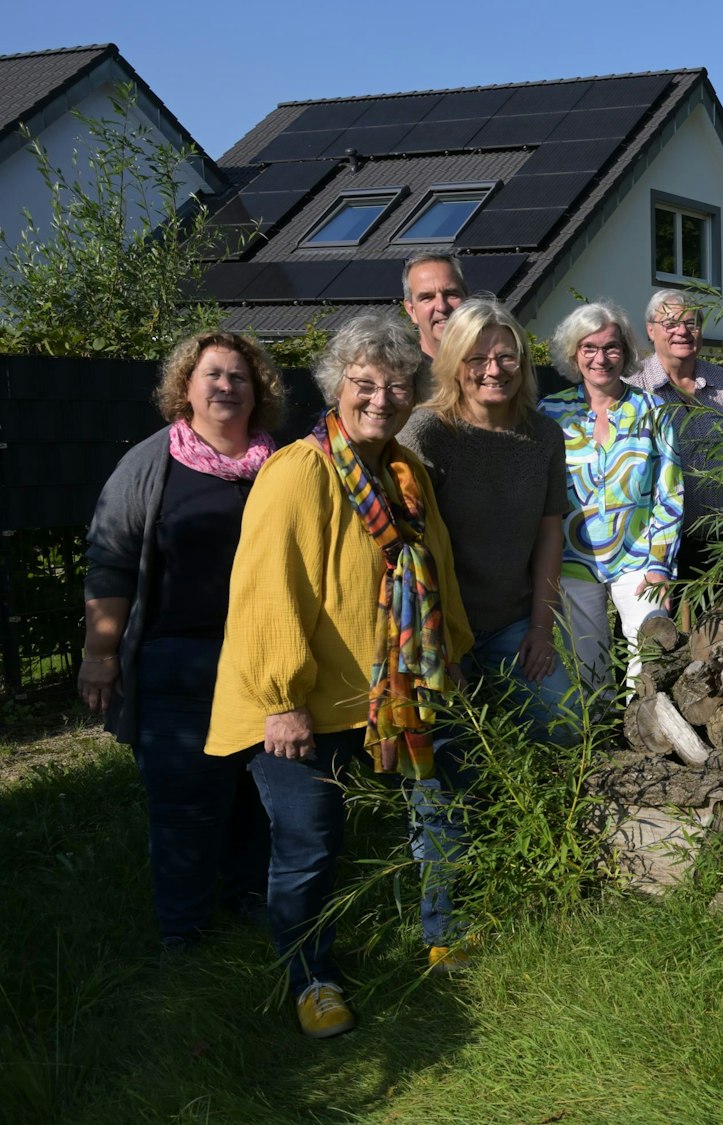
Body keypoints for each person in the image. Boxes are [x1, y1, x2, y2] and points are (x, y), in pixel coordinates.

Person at [204, 314, 474, 1037]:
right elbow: (269, 591)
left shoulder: (405, 472)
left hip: (398, 689)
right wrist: (281, 700)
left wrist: (449, 652)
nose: (381, 398)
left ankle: (443, 934)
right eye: (364, 384)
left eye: (396, 385)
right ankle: (312, 979)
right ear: (337, 386)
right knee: (309, 841)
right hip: (299, 702)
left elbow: (437, 569)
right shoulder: (299, 471)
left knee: (440, 813)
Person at [81, 331, 284, 953]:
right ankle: (185, 936)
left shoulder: (283, 465)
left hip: (265, 663)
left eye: (239, 376)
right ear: (185, 388)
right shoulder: (151, 463)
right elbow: (110, 560)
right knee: (185, 807)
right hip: (178, 664)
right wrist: (100, 654)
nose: (226, 385)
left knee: (261, 800)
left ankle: (252, 907)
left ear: (259, 391)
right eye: (212, 375)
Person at [400, 299, 572, 739]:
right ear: (455, 365)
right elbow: (407, 550)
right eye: (477, 359)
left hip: (512, 621)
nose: (494, 370)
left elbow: (550, 534)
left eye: (505, 356)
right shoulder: (426, 435)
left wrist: (541, 627)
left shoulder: (544, 436)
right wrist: (442, 645)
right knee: (452, 752)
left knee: (564, 726)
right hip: (437, 625)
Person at [538, 301, 684, 689]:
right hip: (571, 561)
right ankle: (601, 745)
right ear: (574, 353)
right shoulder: (550, 413)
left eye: (611, 347)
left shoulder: (652, 410)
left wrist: (660, 567)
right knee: (588, 672)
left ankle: (649, 731)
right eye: (589, 348)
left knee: (650, 660)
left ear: (626, 351)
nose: (601, 358)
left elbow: (668, 492)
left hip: (639, 558)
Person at [627, 288, 723, 590]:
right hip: (654, 546)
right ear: (650, 330)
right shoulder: (632, 385)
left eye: (692, 323)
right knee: (652, 633)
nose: (682, 332)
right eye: (670, 324)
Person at [402, 253, 468, 361]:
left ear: (468, 300)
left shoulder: (495, 370)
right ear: (411, 310)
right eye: (427, 297)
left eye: (451, 294)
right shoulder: (400, 375)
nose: (442, 307)